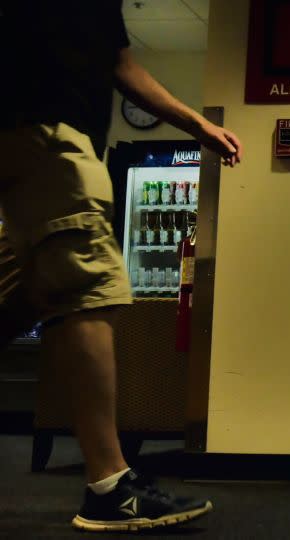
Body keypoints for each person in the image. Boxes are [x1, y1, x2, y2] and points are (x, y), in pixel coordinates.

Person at [0, 2, 241, 532]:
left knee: (20, 293)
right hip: (45, 132)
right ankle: (110, 486)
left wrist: (199, 124)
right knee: (91, 285)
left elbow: (120, 64)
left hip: (36, 139)